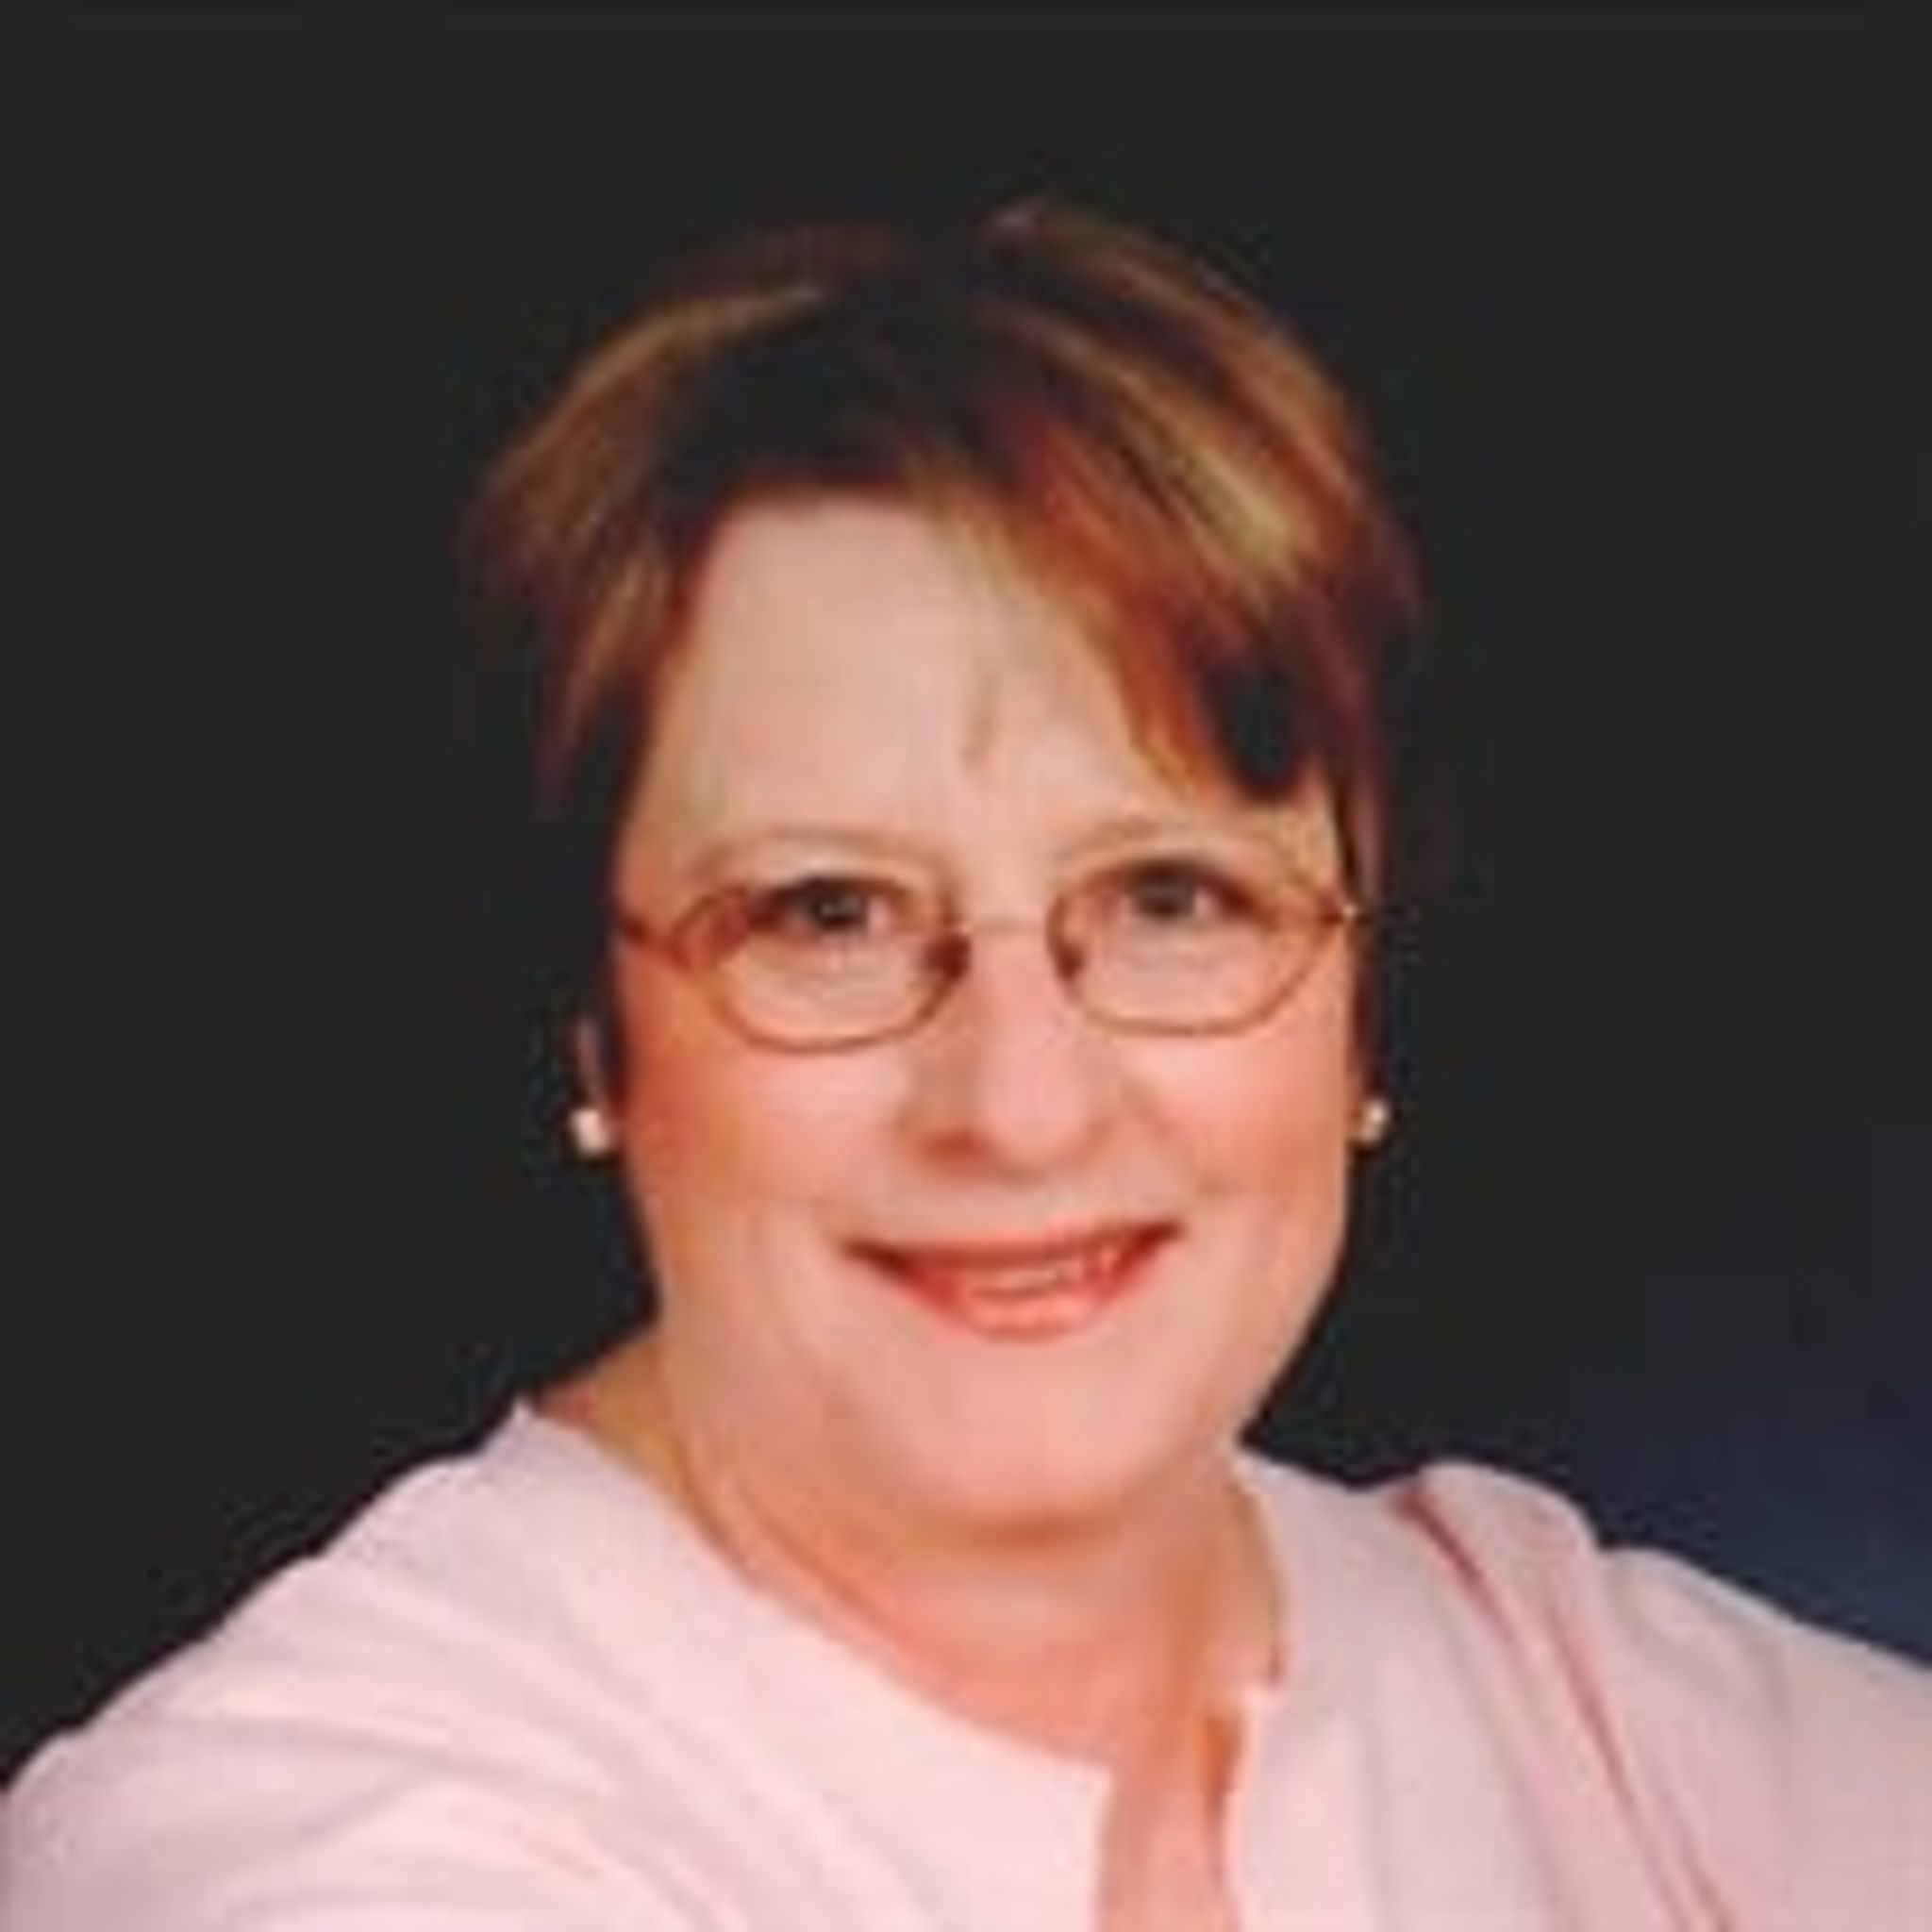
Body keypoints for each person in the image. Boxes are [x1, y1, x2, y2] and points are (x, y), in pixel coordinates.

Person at [5, 199, 1928, 1930]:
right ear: (594, 1030)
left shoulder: (1552, 1677)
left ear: (1361, 1009)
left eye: (1173, 897)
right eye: (826, 914)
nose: (1020, 1103)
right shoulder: (277, 1841)